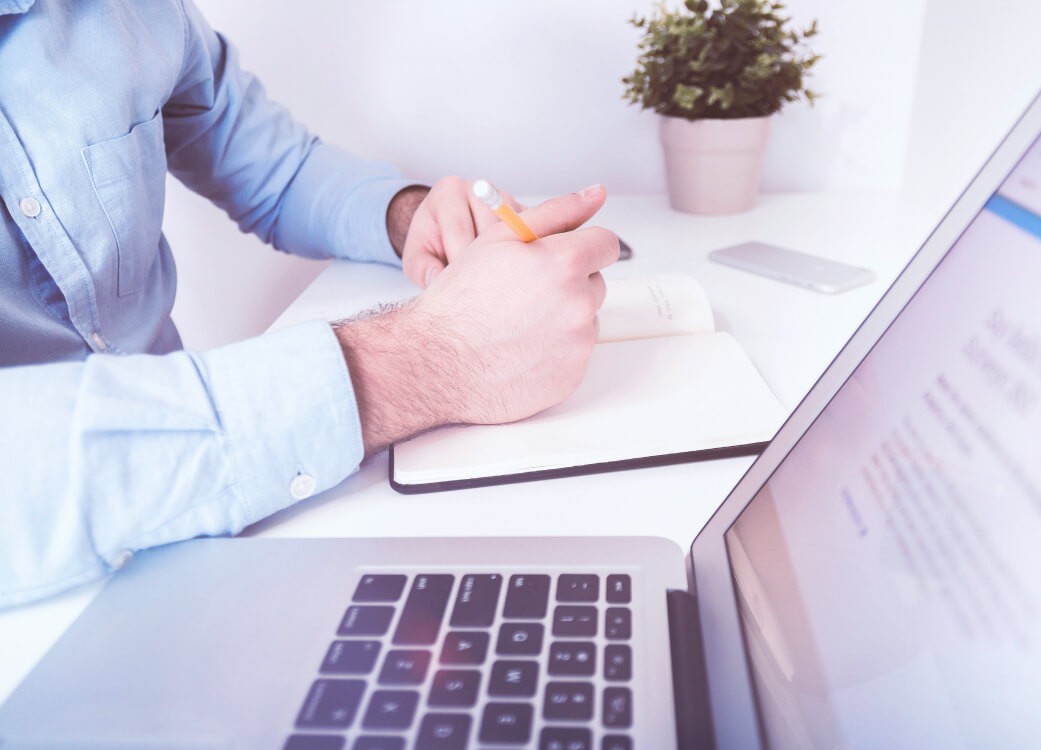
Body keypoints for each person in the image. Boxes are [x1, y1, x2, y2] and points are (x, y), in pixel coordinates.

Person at [0, 0, 618, 607]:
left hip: (210, 532)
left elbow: (278, 170)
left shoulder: (136, 12)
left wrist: (409, 216)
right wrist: (440, 354)